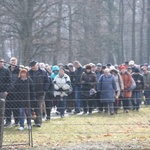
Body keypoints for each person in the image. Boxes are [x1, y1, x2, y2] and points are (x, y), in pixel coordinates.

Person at [28, 60, 49, 127]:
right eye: (31, 67)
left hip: (40, 92)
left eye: (34, 66)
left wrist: (45, 89)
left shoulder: (43, 72)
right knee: (33, 106)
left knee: (38, 106)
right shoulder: (28, 73)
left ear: (37, 65)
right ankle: (35, 121)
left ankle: (39, 122)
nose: (33, 68)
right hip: (31, 93)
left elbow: (47, 81)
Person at [5, 57, 20, 127]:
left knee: (16, 107)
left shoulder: (19, 70)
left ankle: (17, 121)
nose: (13, 62)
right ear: (9, 62)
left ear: (16, 62)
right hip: (8, 92)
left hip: (16, 92)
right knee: (7, 107)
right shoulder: (7, 70)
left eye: (14, 61)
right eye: (12, 61)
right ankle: (8, 121)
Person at [0, 58, 11, 123]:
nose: (0, 63)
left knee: (3, 107)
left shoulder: (6, 70)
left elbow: (9, 81)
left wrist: (7, 91)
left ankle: (5, 121)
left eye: (1, 62)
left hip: (3, 92)